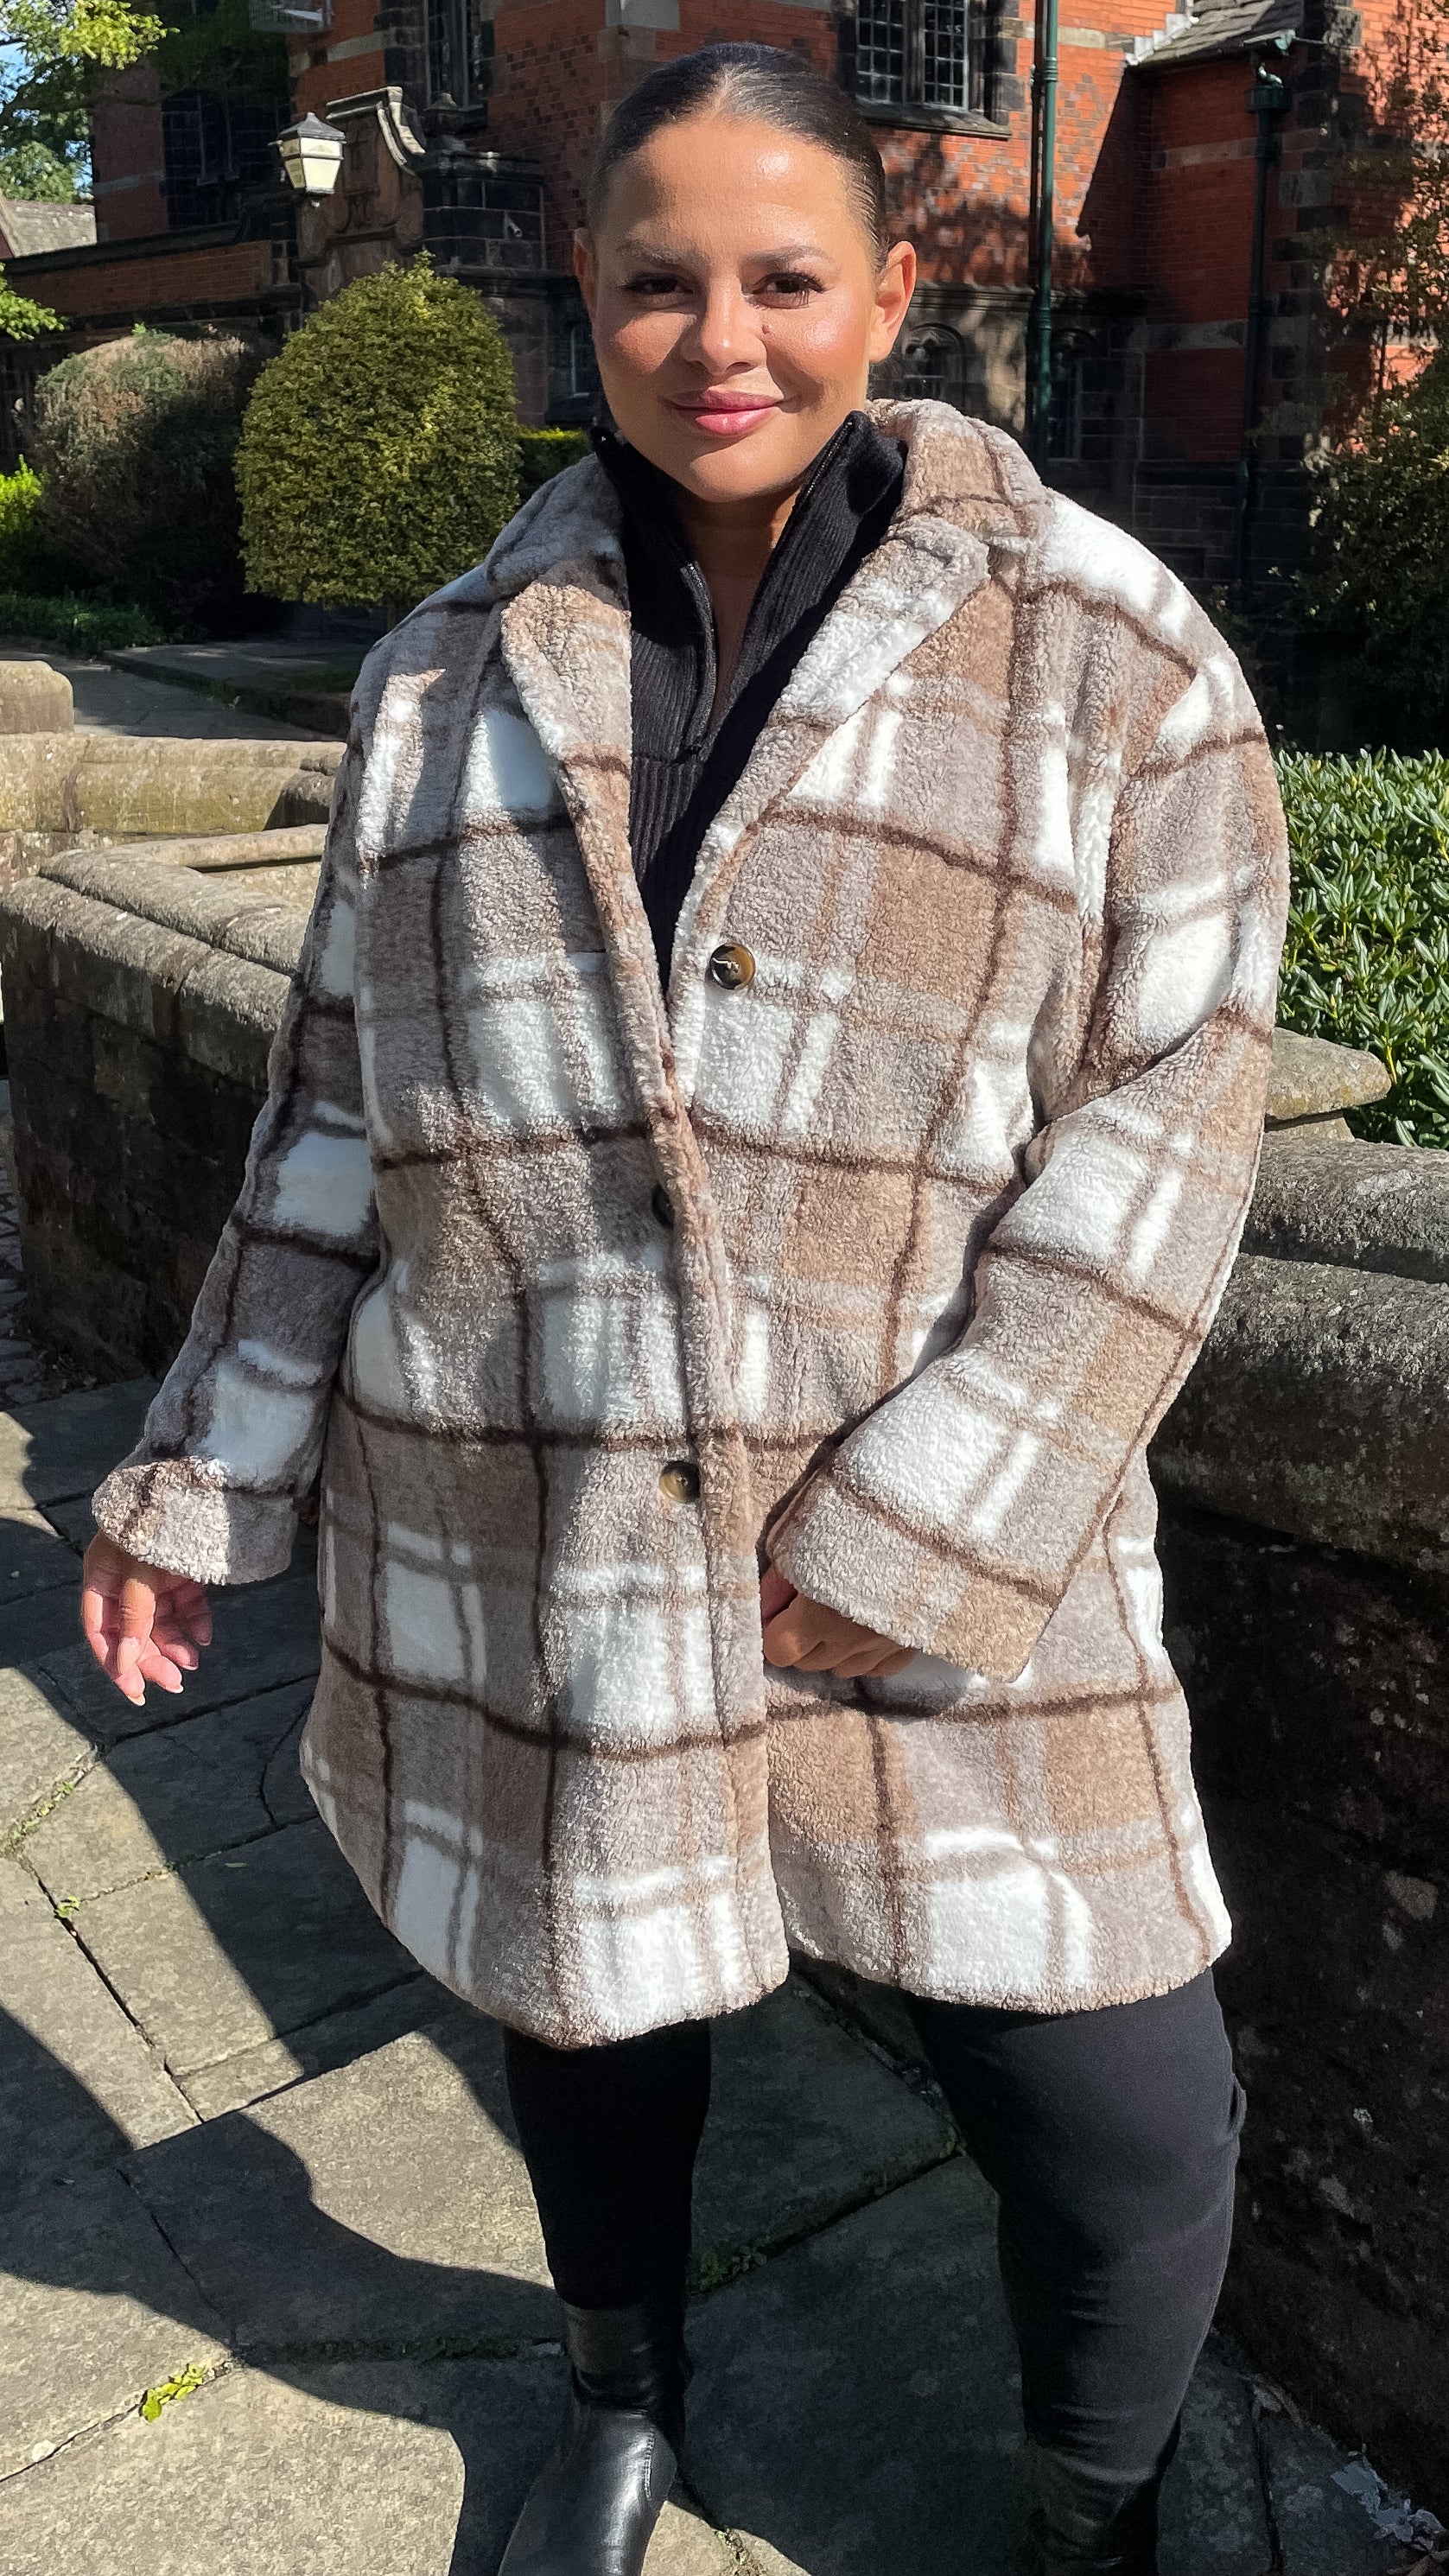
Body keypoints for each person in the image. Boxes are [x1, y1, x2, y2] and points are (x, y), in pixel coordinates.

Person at [81, 43, 1287, 2576]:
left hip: (949, 1550)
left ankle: (1100, 2515)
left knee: (1125, 2112)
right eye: (658, 280)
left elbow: (1173, 1130)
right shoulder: (444, 672)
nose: (718, 338)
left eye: (782, 277)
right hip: (533, 1510)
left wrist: (921, 1529)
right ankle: (618, 2393)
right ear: (585, 293)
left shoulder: (1113, 653)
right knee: (587, 2009)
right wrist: (198, 1476)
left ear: (891, 291)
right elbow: (335, 1112)